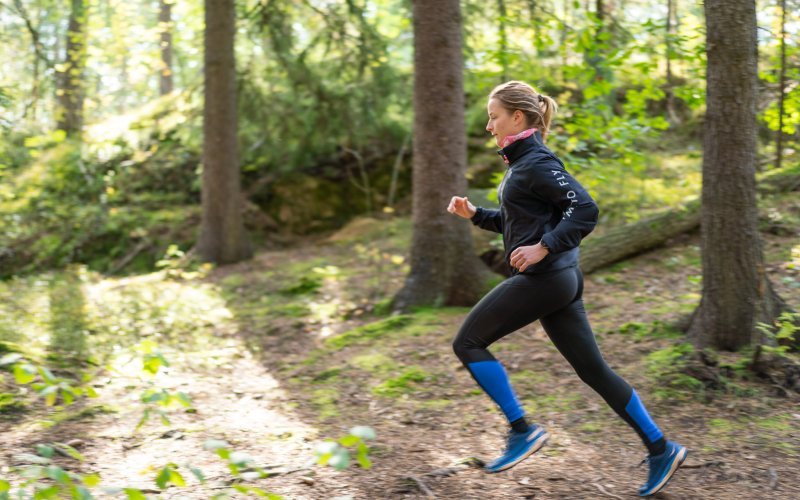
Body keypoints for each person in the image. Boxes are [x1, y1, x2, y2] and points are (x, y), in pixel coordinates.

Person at [446, 81, 687, 497]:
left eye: (493, 116)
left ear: (517, 117)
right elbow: (519, 221)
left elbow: (585, 208)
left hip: (547, 279)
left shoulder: (536, 162)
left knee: (467, 343)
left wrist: (544, 247)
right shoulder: (523, 163)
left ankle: (522, 430)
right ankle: (661, 448)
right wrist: (476, 215)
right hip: (560, 280)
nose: (488, 125)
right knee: (593, 370)